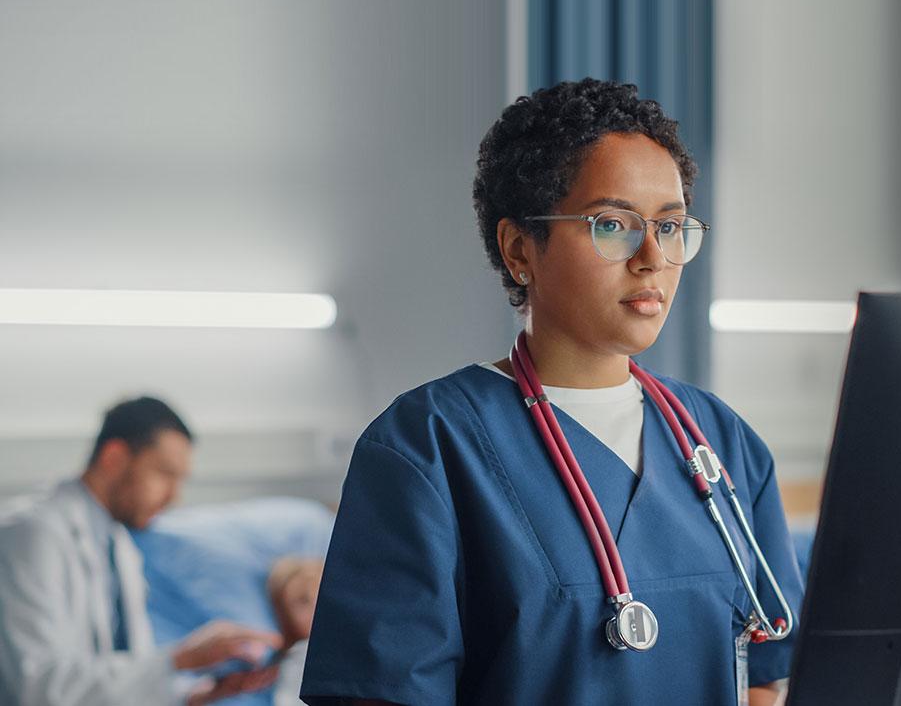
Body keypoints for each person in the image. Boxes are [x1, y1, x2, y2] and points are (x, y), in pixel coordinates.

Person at [300, 78, 803, 705]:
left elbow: (762, 678)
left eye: (671, 227)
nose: (652, 256)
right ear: (519, 250)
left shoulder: (722, 442)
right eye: (613, 224)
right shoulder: (429, 445)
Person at [0, 395, 282, 706]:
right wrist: (180, 659)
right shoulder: (32, 534)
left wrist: (193, 694)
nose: (174, 497)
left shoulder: (120, 547)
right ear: (115, 458)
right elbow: (38, 688)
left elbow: (122, 676)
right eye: (165, 474)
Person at [268, 557, 323, 706]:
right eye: (303, 600)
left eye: (321, 594)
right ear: (285, 616)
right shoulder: (297, 660)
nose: (316, 604)